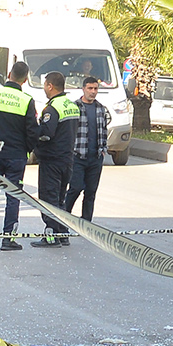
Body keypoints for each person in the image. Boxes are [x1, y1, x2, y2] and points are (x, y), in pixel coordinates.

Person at [0, 61, 40, 250]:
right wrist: (26, 150)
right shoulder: (26, 100)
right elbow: (32, 132)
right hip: (16, 156)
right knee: (13, 197)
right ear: (25, 80)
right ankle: (8, 239)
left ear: (9, 74)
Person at [33, 71, 78, 245]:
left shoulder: (52, 108)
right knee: (60, 198)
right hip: (67, 159)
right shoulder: (72, 105)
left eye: (45, 85)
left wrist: (35, 137)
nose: (44, 88)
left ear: (50, 86)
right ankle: (62, 234)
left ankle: (51, 235)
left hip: (51, 160)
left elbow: (46, 134)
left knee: (48, 199)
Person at [68, 76, 112, 222]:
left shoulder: (100, 108)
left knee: (91, 192)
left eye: (95, 89)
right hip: (78, 156)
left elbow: (104, 130)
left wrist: (103, 148)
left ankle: (86, 222)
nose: (93, 92)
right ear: (83, 89)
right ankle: (63, 217)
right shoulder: (75, 107)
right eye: (90, 88)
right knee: (75, 188)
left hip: (95, 157)